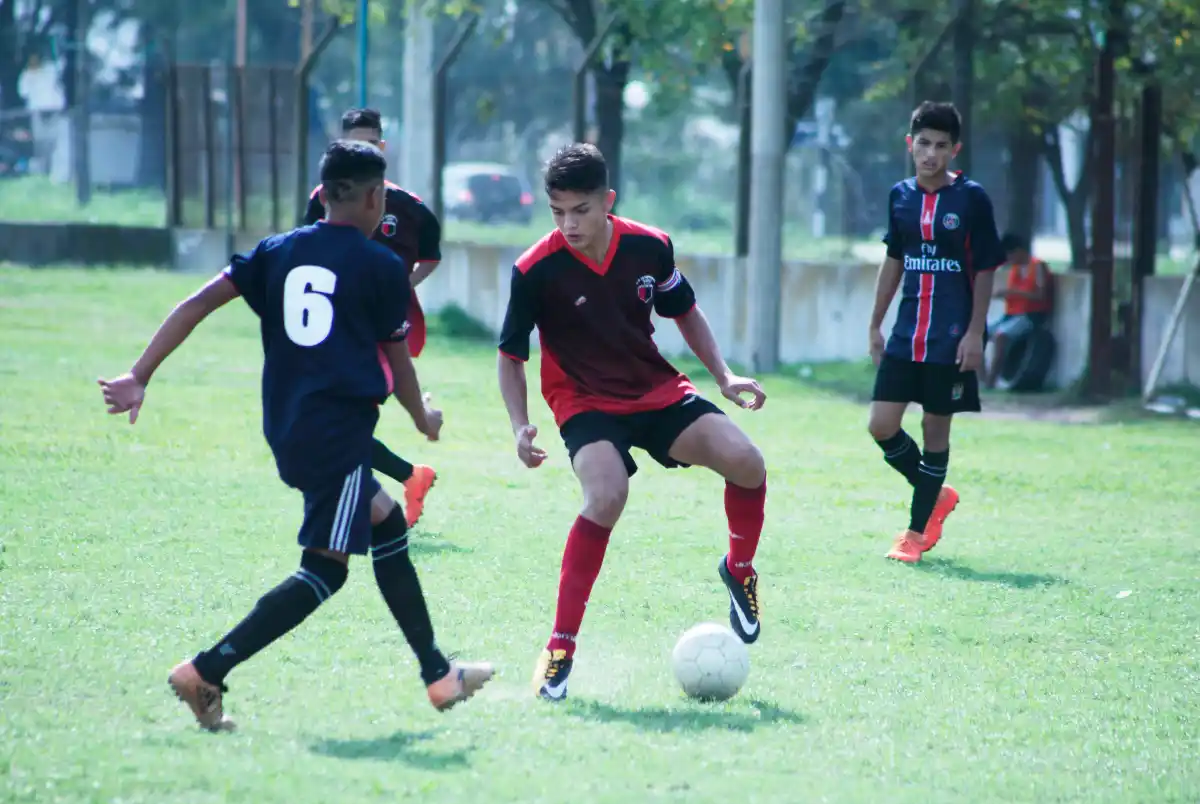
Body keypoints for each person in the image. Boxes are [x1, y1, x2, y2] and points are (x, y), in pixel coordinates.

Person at [98, 140, 493, 731]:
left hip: (292, 428)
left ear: (322, 194)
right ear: (373, 197)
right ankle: (205, 670)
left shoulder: (276, 251)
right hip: (335, 437)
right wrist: (422, 419)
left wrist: (139, 375)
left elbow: (196, 303)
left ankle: (438, 674)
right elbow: (400, 365)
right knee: (325, 571)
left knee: (385, 523)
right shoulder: (382, 266)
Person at [496, 143, 768, 702]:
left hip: (654, 389)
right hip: (583, 399)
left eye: (581, 210)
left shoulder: (650, 246)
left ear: (608, 202)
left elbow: (684, 310)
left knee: (746, 461)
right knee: (605, 496)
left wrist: (722, 375)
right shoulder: (534, 270)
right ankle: (559, 649)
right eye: (557, 211)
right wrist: (519, 425)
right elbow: (511, 355)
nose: (568, 224)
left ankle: (740, 568)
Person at [866, 101, 1005, 564]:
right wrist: (875, 324)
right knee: (881, 425)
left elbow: (985, 269)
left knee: (934, 432)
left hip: (949, 340)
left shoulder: (971, 199)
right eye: (923, 144)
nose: (930, 154)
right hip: (907, 335)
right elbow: (894, 260)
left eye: (941, 146)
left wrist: (975, 334)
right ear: (910, 145)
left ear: (954, 150)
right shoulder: (900, 196)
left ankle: (914, 534)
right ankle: (936, 495)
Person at [306, 107, 442, 528]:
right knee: (334, 424)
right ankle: (408, 477)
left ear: (382, 148)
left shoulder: (409, 207)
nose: (362, 150)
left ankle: (368, 512)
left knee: (336, 425)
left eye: (369, 143)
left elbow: (431, 256)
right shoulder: (320, 201)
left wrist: (401, 288)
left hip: (383, 332)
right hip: (339, 328)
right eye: (354, 143)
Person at [985, 232, 1054, 388]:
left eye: (1010, 254)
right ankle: (981, 378)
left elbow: (1040, 294)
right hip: (1011, 315)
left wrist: (1012, 293)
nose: (1009, 259)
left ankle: (991, 380)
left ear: (1019, 251)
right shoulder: (1016, 269)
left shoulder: (1037, 266)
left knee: (1001, 336)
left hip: (1030, 315)